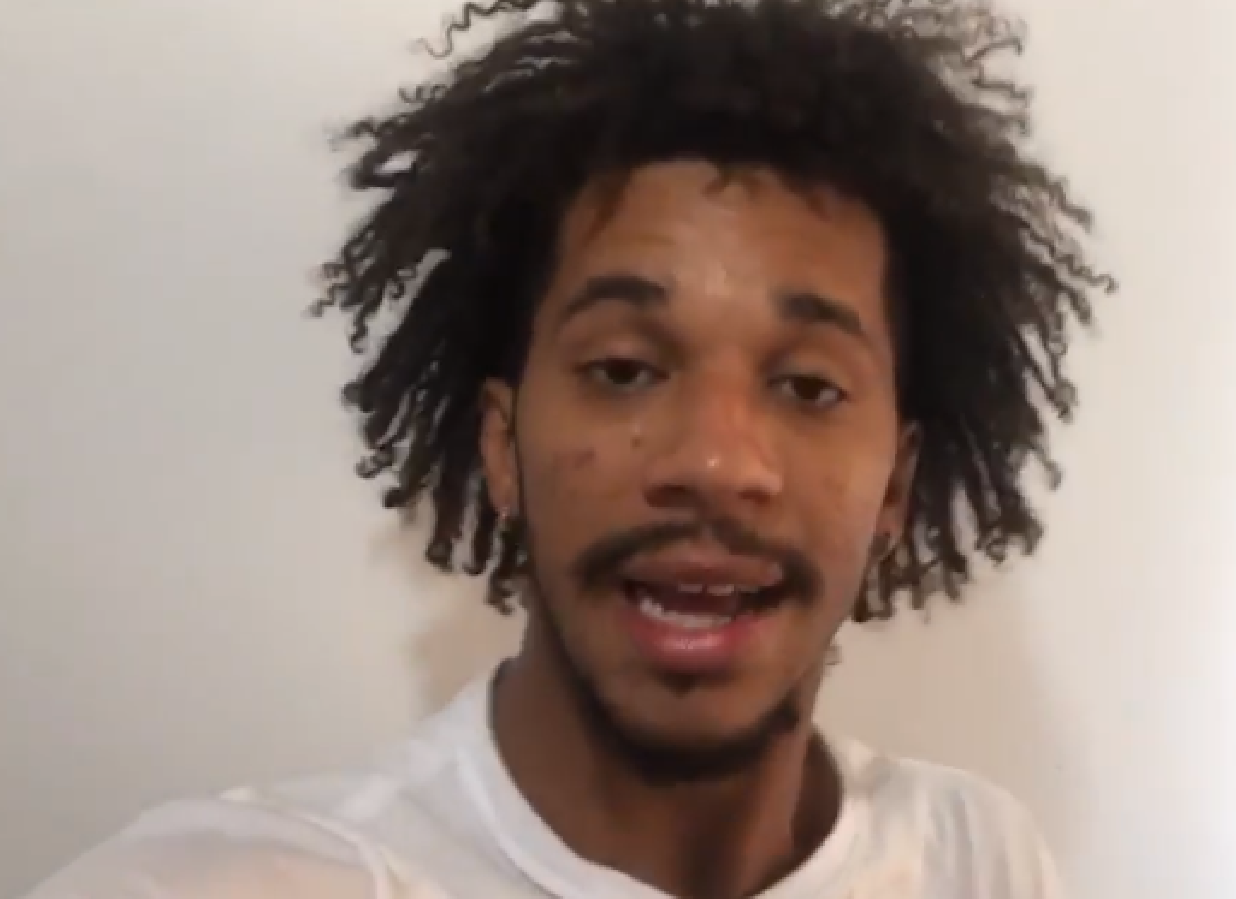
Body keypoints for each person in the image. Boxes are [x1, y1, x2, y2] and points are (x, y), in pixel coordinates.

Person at [28, 0, 1112, 895]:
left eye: (808, 385)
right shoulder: (259, 879)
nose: (715, 461)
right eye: (625, 368)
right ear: (502, 445)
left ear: (896, 488)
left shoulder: (974, 856)